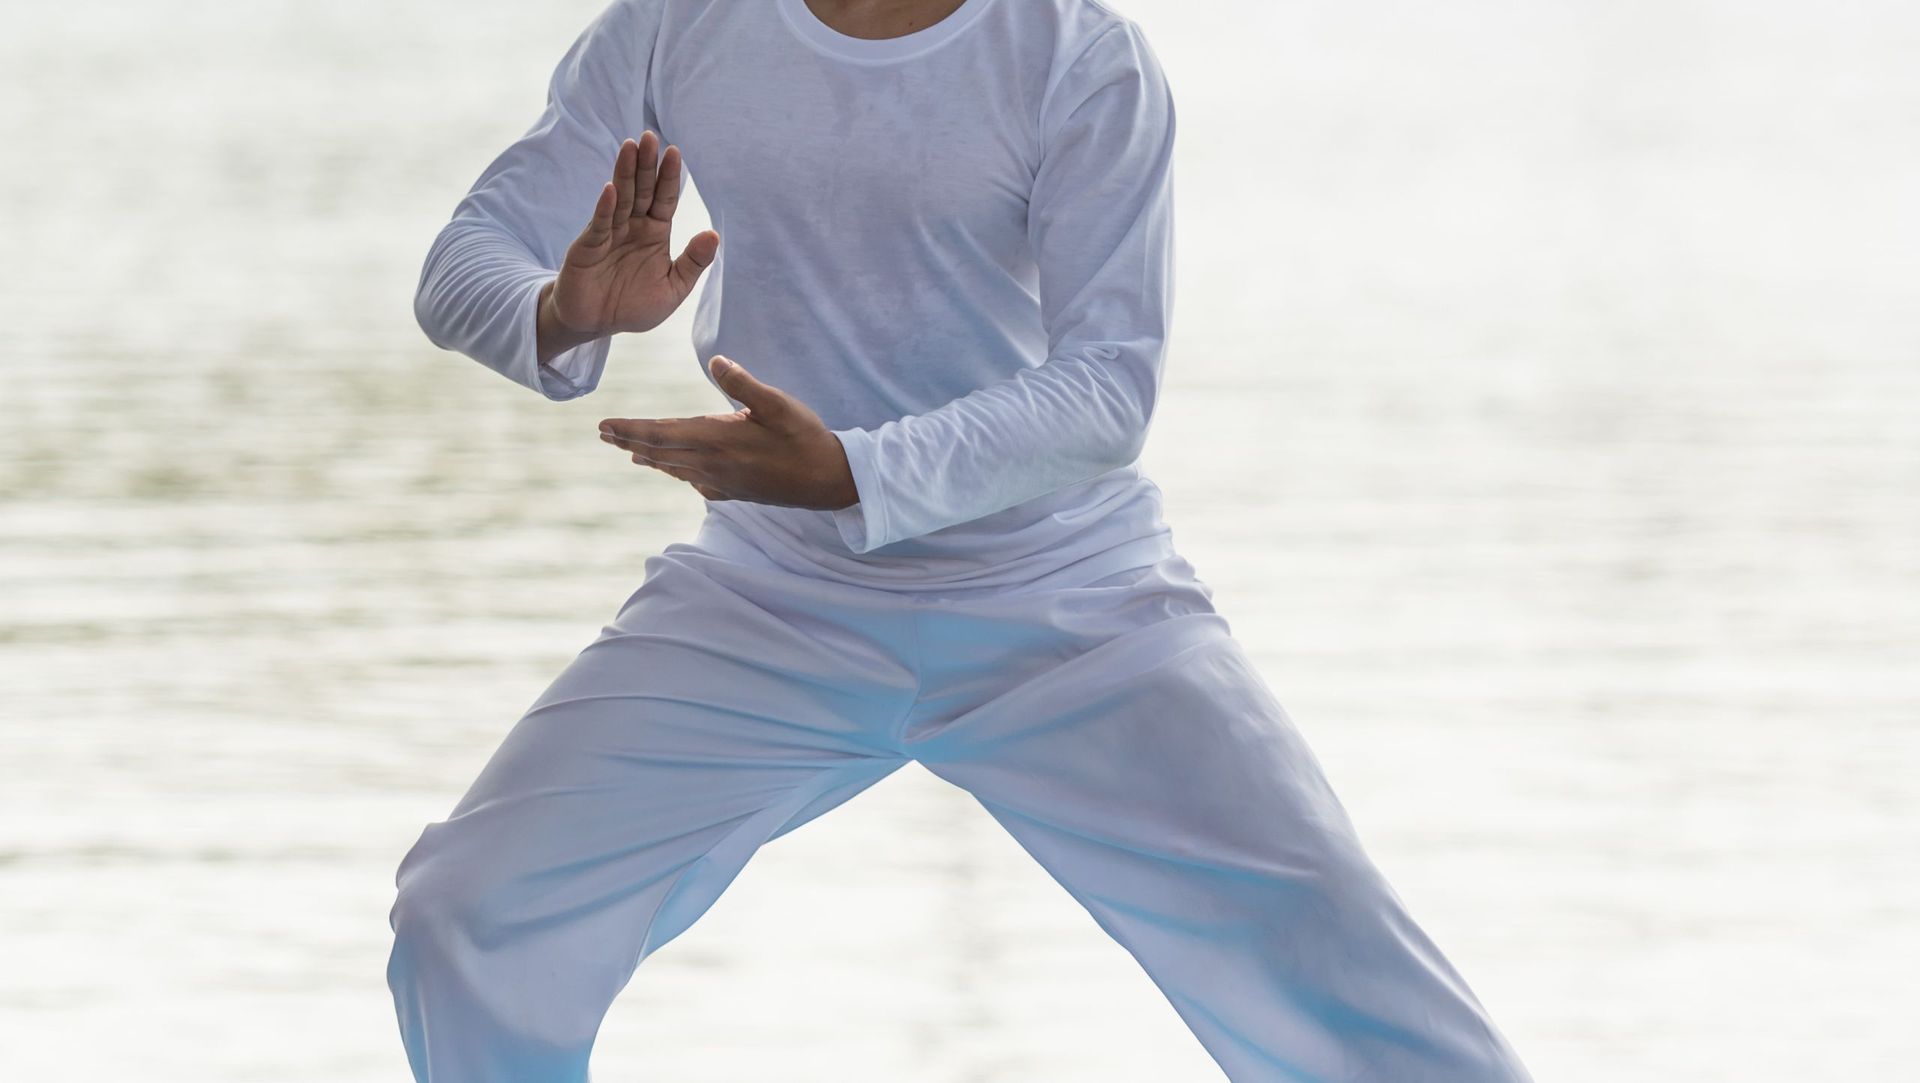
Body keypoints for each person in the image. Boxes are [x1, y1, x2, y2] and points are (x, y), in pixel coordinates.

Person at [386, 1, 1538, 1080]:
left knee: (1342, 960)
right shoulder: (679, 25)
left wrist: (855, 472)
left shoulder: (1077, 55)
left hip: (1063, 601)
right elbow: (464, 262)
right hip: (771, 598)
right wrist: (563, 312)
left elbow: (1106, 390)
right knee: (469, 912)